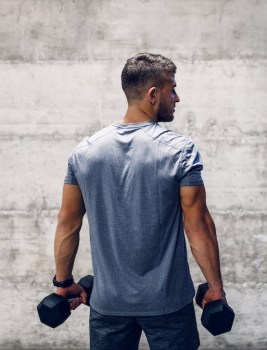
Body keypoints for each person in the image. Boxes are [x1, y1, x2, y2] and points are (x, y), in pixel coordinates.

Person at [52, 52, 226, 350]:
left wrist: (62, 283)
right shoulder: (180, 151)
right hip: (169, 304)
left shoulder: (84, 153)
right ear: (153, 95)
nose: (177, 97)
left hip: (109, 305)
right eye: (172, 89)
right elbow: (197, 225)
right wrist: (216, 290)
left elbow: (68, 223)